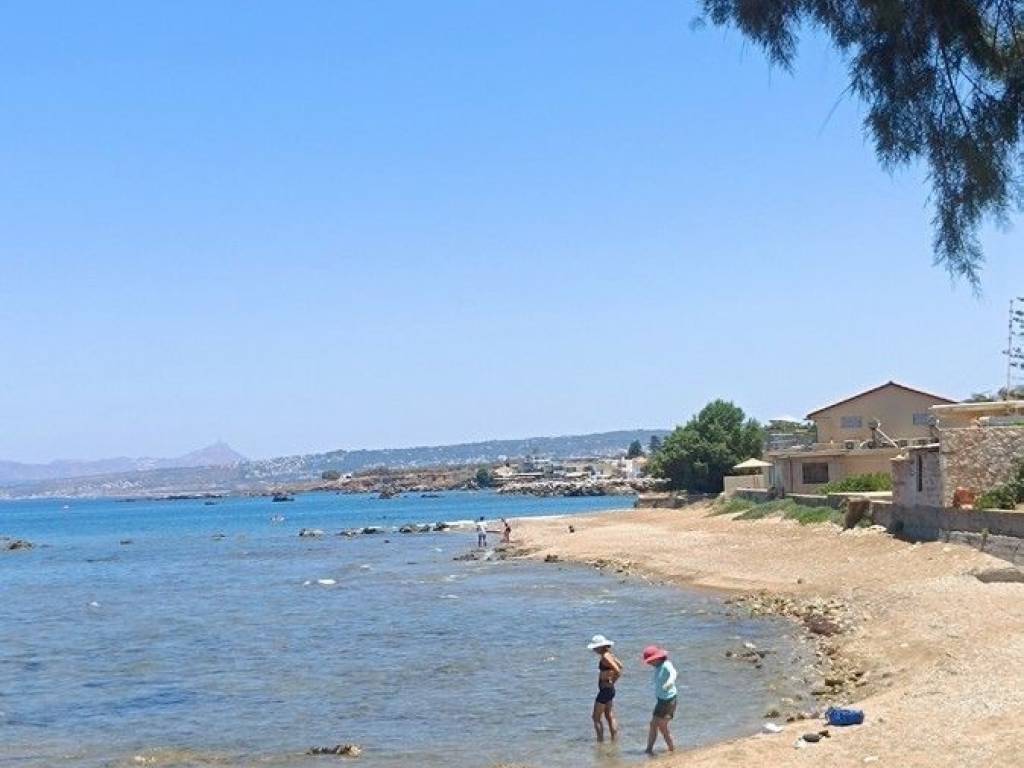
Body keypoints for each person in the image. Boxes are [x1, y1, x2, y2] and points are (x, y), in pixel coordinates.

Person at [642, 645, 677, 755]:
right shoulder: (657, 667)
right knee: (653, 724)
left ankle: (672, 749)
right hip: (661, 701)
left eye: (650, 661)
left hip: (669, 701)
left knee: (662, 726)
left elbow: (674, 673)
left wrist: (670, 682)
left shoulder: (666, 664)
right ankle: (649, 749)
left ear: (657, 658)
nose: (649, 663)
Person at [587, 634, 622, 743]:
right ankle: (614, 740)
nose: (594, 650)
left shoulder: (605, 657)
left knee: (596, 717)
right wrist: (609, 676)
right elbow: (621, 665)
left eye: (595, 648)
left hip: (606, 690)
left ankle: (600, 741)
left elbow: (618, 670)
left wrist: (612, 681)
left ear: (600, 647)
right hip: (608, 690)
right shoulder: (609, 654)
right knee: (609, 715)